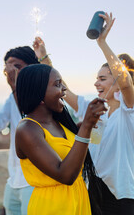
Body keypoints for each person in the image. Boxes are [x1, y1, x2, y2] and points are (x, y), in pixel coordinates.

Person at [60, 13, 134, 214]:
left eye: (102, 78)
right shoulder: (95, 109)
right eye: (96, 78)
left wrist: (102, 42)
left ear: (117, 82)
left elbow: (126, 81)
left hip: (123, 196)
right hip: (94, 190)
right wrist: (42, 57)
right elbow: (63, 91)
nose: (96, 83)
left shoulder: (129, 111)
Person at [15, 63, 107, 214]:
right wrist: (86, 127)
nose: (64, 88)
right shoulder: (27, 129)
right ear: (39, 93)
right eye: (58, 84)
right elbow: (65, 175)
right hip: (54, 207)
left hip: (78, 201)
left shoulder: (60, 124)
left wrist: (85, 126)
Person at [0, 45, 40, 215]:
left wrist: (14, 87)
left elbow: (28, 120)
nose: (12, 72)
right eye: (9, 67)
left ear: (31, 68)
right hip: (13, 180)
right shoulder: (12, 98)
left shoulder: (42, 95)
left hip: (34, 183)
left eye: (17, 66)